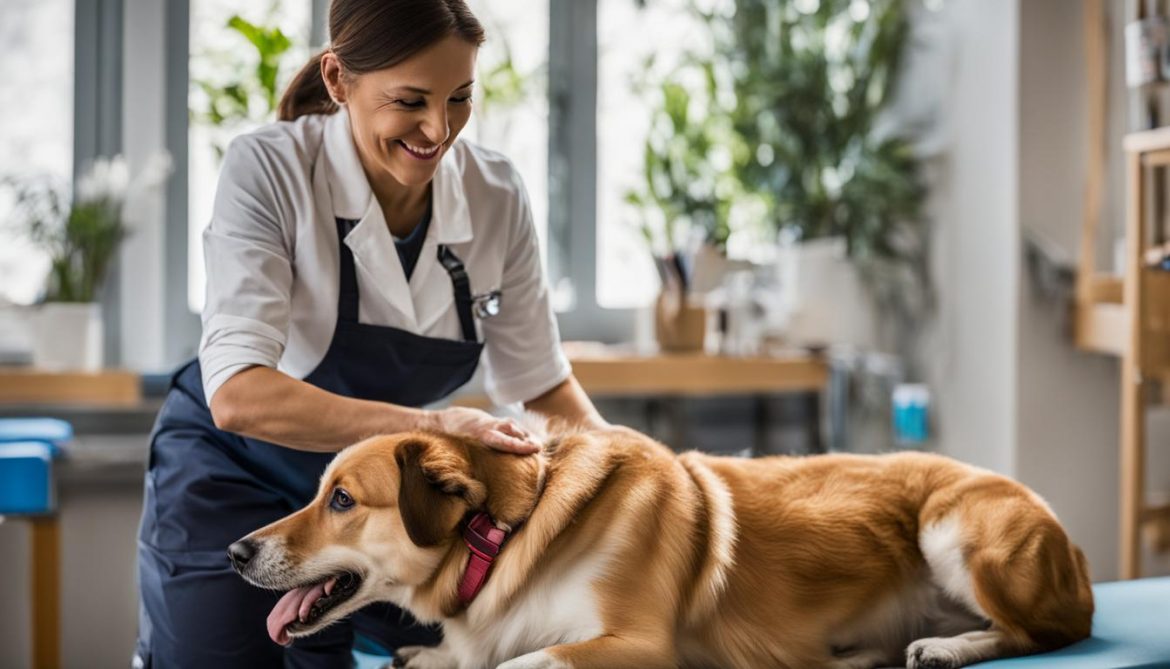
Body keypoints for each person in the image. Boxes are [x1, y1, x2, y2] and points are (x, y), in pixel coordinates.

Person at [133, 1, 604, 666]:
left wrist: (642, 478)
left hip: (386, 507)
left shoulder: (496, 194)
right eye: (410, 100)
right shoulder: (268, 170)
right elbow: (239, 394)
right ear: (337, 79)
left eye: (460, 98)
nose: (439, 129)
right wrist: (433, 428)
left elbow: (542, 384)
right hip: (232, 472)